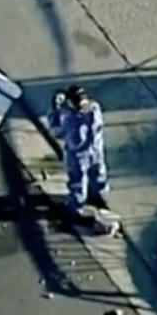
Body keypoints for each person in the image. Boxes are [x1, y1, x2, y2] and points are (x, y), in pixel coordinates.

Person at [47, 85, 110, 219]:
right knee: (99, 175)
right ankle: (100, 197)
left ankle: (76, 207)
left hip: (79, 156)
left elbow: (58, 132)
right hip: (96, 151)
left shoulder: (71, 119)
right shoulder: (95, 109)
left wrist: (55, 111)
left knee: (78, 181)